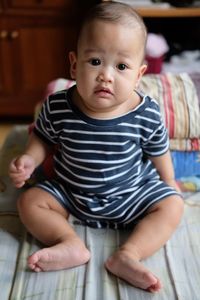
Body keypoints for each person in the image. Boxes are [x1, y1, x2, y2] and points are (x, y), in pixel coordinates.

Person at [9, 1, 183, 293]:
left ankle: (128, 255)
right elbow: (42, 138)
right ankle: (68, 242)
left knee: (172, 205)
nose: (106, 75)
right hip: (70, 193)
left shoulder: (146, 113)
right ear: (75, 65)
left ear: (139, 75)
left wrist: (168, 181)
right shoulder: (58, 106)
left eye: (122, 66)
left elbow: (158, 149)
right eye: (95, 62)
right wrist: (29, 158)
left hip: (131, 193)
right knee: (29, 202)